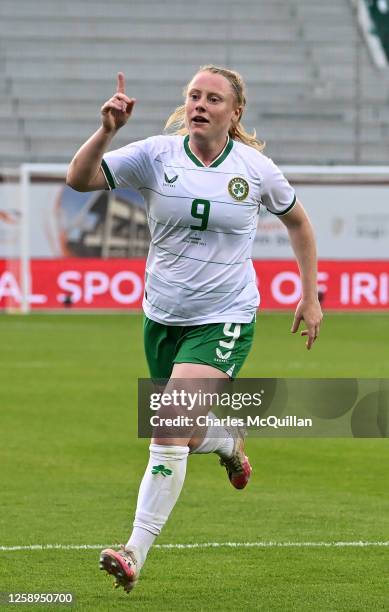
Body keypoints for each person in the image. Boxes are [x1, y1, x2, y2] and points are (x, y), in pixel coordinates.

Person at [66, 65, 323, 593]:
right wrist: (107, 130)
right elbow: (79, 178)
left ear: (235, 112)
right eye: (193, 95)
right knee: (181, 427)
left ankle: (133, 551)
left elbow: (298, 222)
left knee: (165, 427)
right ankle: (228, 440)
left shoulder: (255, 169)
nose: (200, 104)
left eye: (213, 98)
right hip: (162, 317)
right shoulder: (156, 154)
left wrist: (310, 295)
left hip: (225, 317)